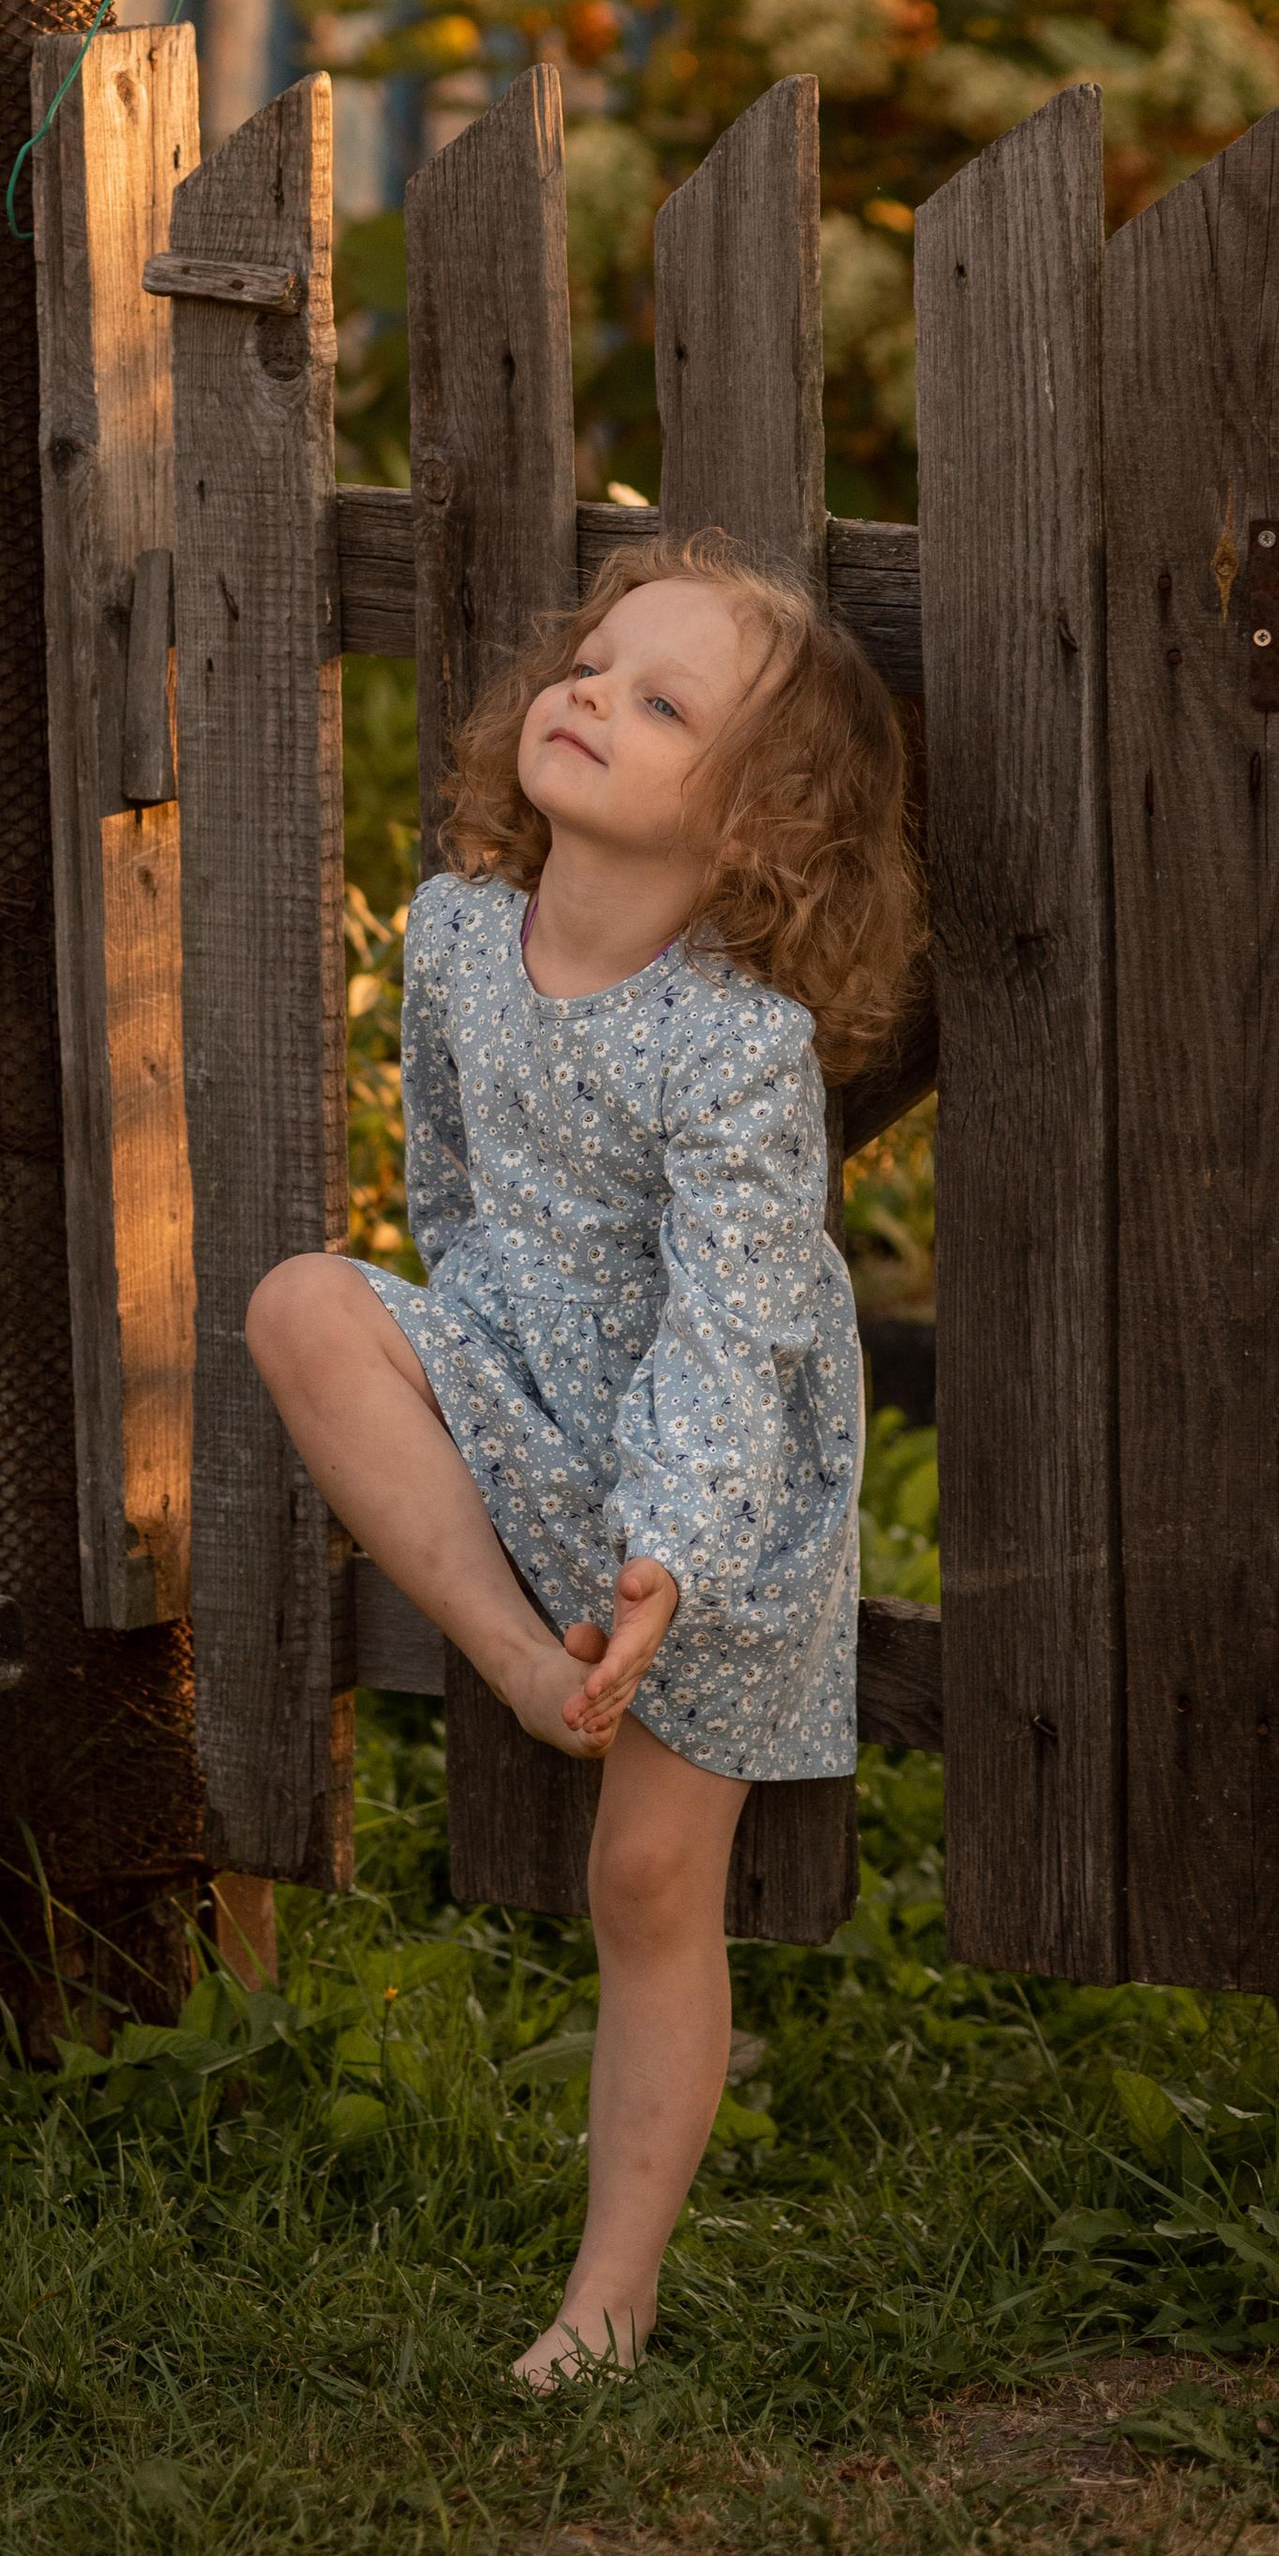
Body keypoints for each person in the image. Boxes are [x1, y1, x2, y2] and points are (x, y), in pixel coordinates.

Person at [246, 532, 917, 2386]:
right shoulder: (464, 931)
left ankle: (607, 2303)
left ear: (760, 819)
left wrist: (666, 1555)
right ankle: (524, 1666)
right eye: (591, 664)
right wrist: (477, 1373)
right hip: (519, 1392)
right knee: (305, 1303)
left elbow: (737, 1329)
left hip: (715, 1486)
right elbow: (450, 1190)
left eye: (659, 699)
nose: (589, 697)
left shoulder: (734, 1047)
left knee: (644, 1885)